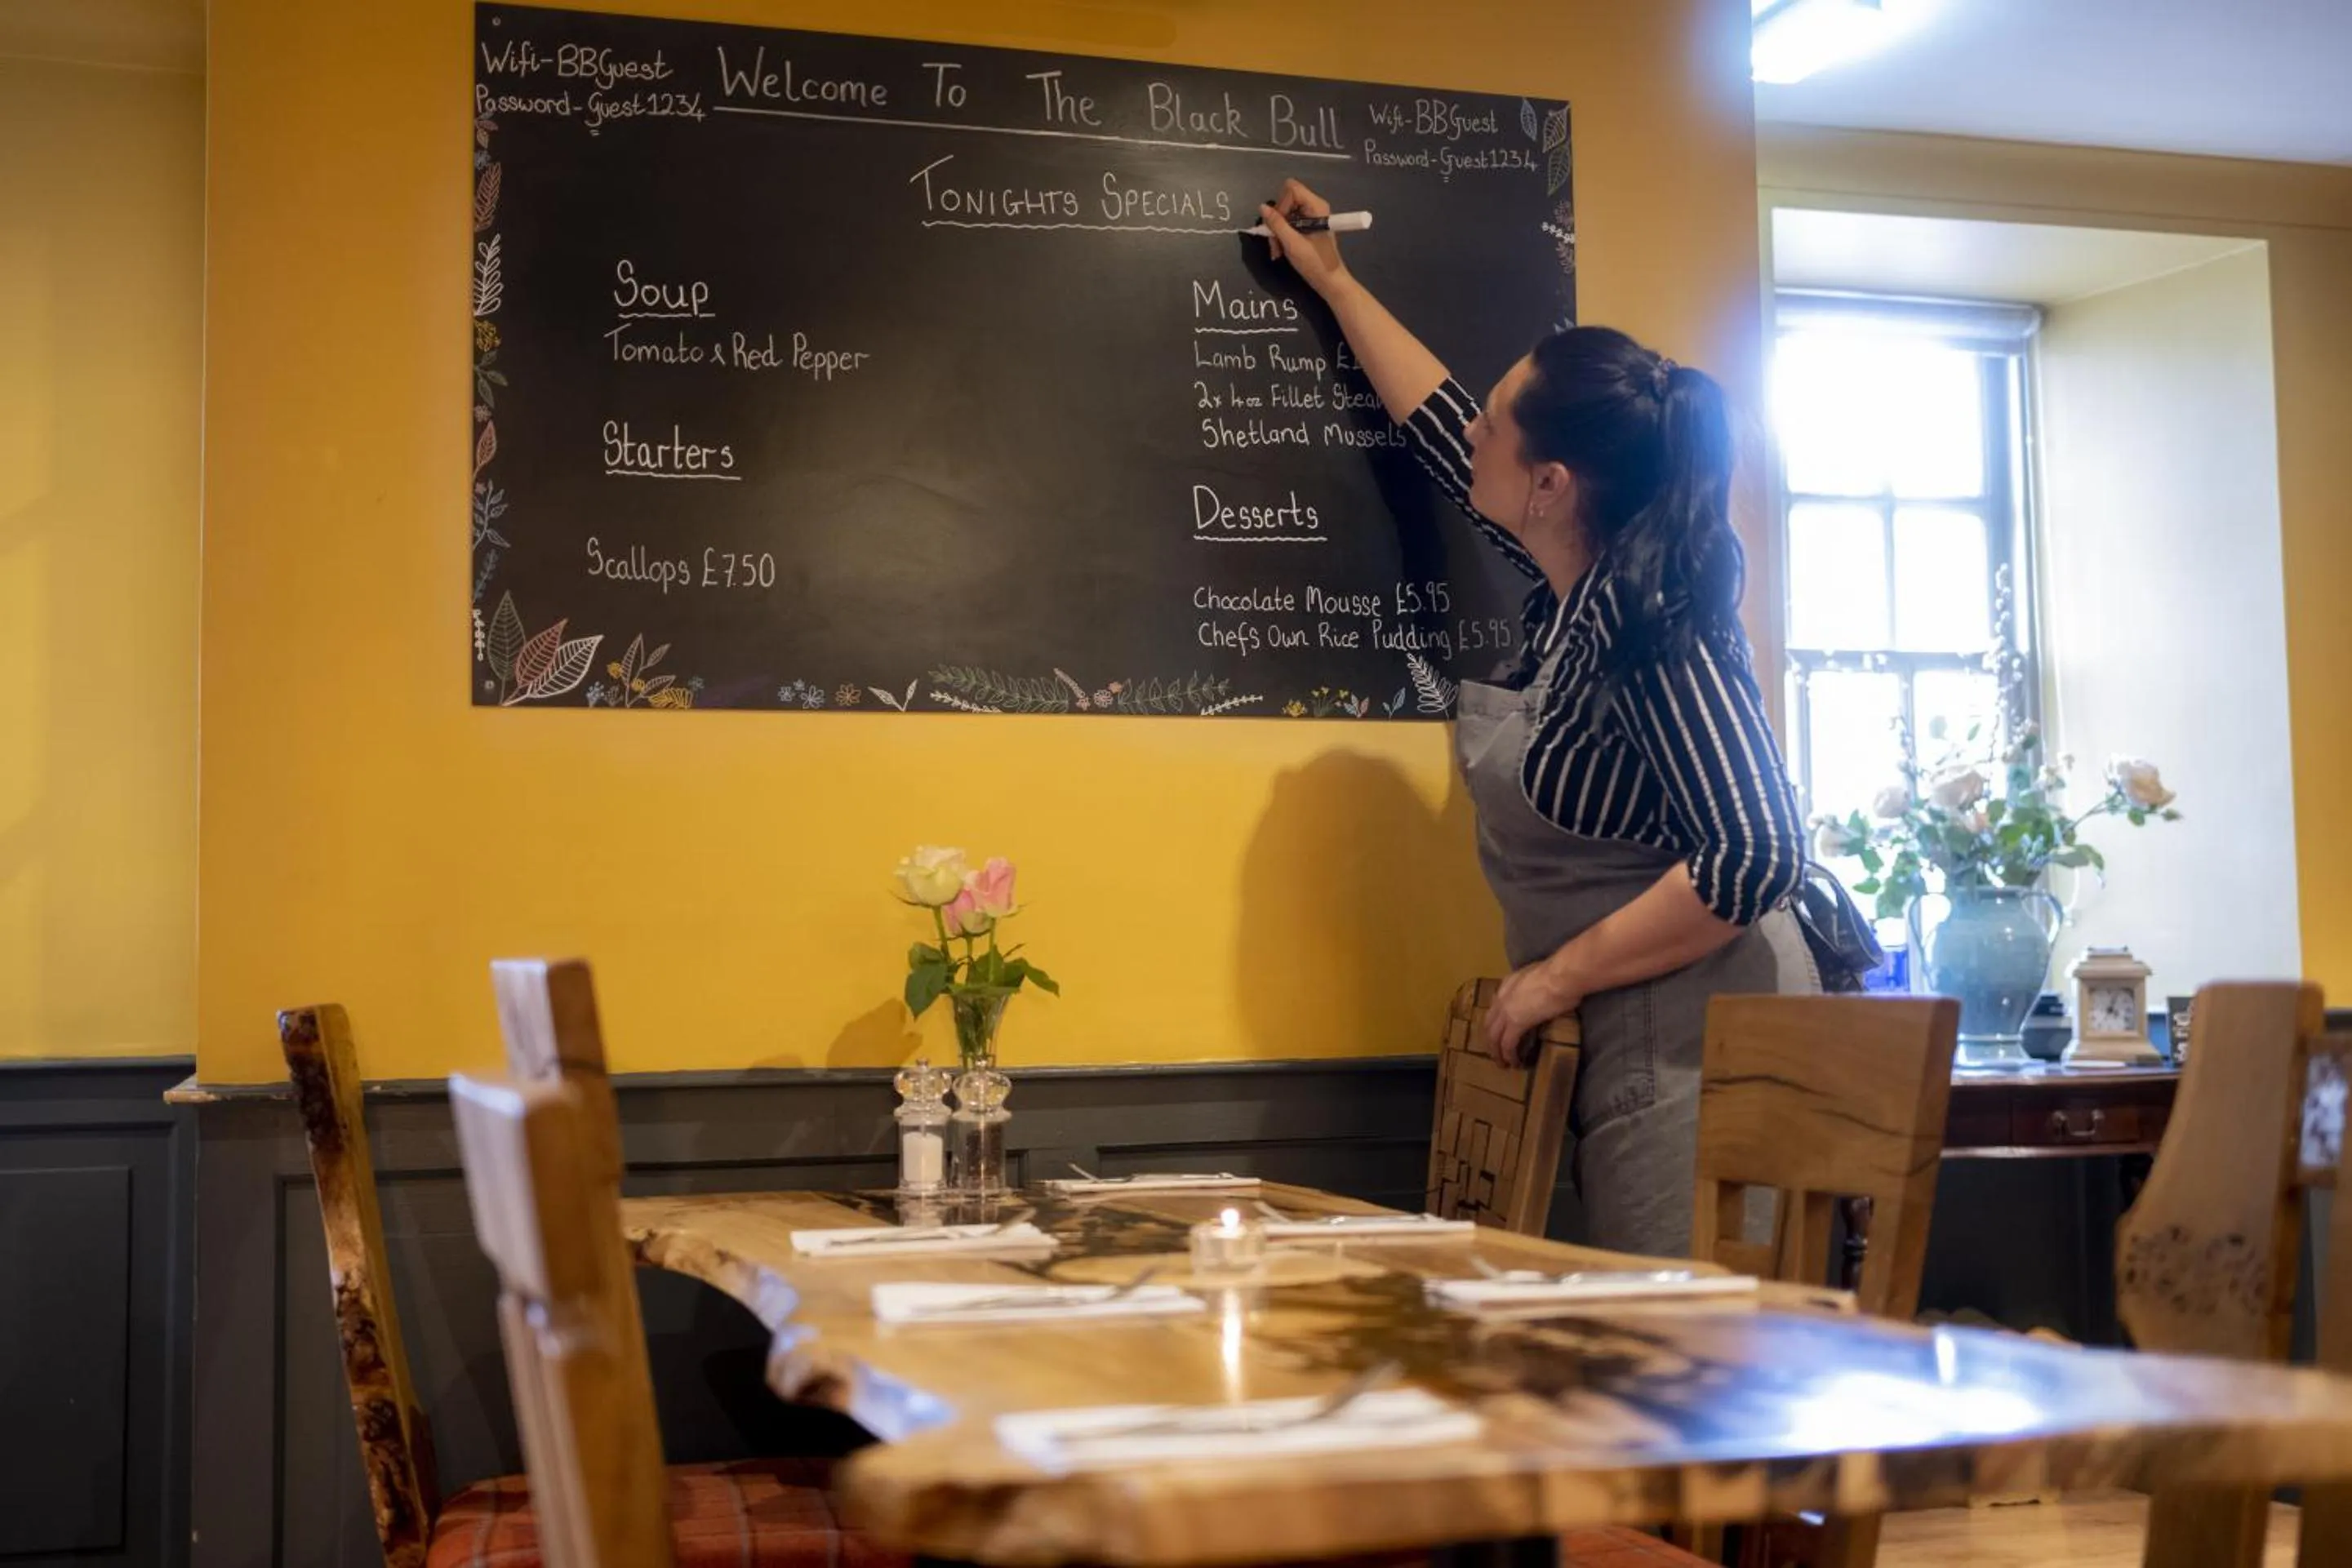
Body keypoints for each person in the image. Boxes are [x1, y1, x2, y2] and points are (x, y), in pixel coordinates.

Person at [1258, 179, 1821, 1257]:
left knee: (1687, 1358)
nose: (1476, 426)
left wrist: (1559, 974)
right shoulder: (1575, 590)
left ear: (1552, 483)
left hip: (1705, 1036)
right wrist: (1335, 284)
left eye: (1498, 419)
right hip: (1632, 1027)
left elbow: (1758, 854)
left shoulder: (1666, 625)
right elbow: (1438, 431)